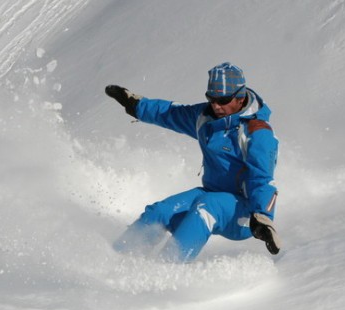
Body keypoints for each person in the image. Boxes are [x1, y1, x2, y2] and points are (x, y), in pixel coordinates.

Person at [105, 62, 281, 262]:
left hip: (246, 211)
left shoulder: (257, 132)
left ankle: (165, 271)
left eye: (222, 100)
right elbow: (170, 113)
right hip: (212, 194)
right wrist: (136, 105)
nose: (216, 106)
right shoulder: (206, 118)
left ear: (240, 98)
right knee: (160, 212)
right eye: (211, 99)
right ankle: (115, 259)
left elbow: (263, 178)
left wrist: (263, 218)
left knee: (208, 206)